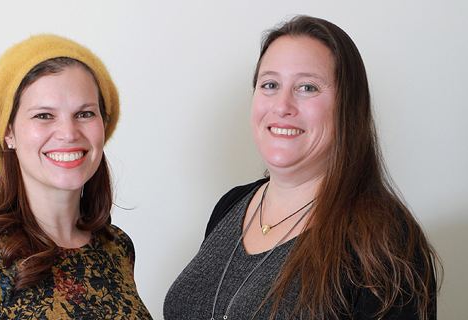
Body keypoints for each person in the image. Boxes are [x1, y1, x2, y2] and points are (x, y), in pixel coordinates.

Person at [164, 16, 439, 320]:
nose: (282, 105)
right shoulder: (231, 206)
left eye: (307, 87)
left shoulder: (384, 240)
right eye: (270, 84)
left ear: (348, 106)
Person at [0, 34, 152, 319]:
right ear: (9, 133)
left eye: (85, 113)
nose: (68, 133)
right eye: (44, 115)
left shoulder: (117, 247)